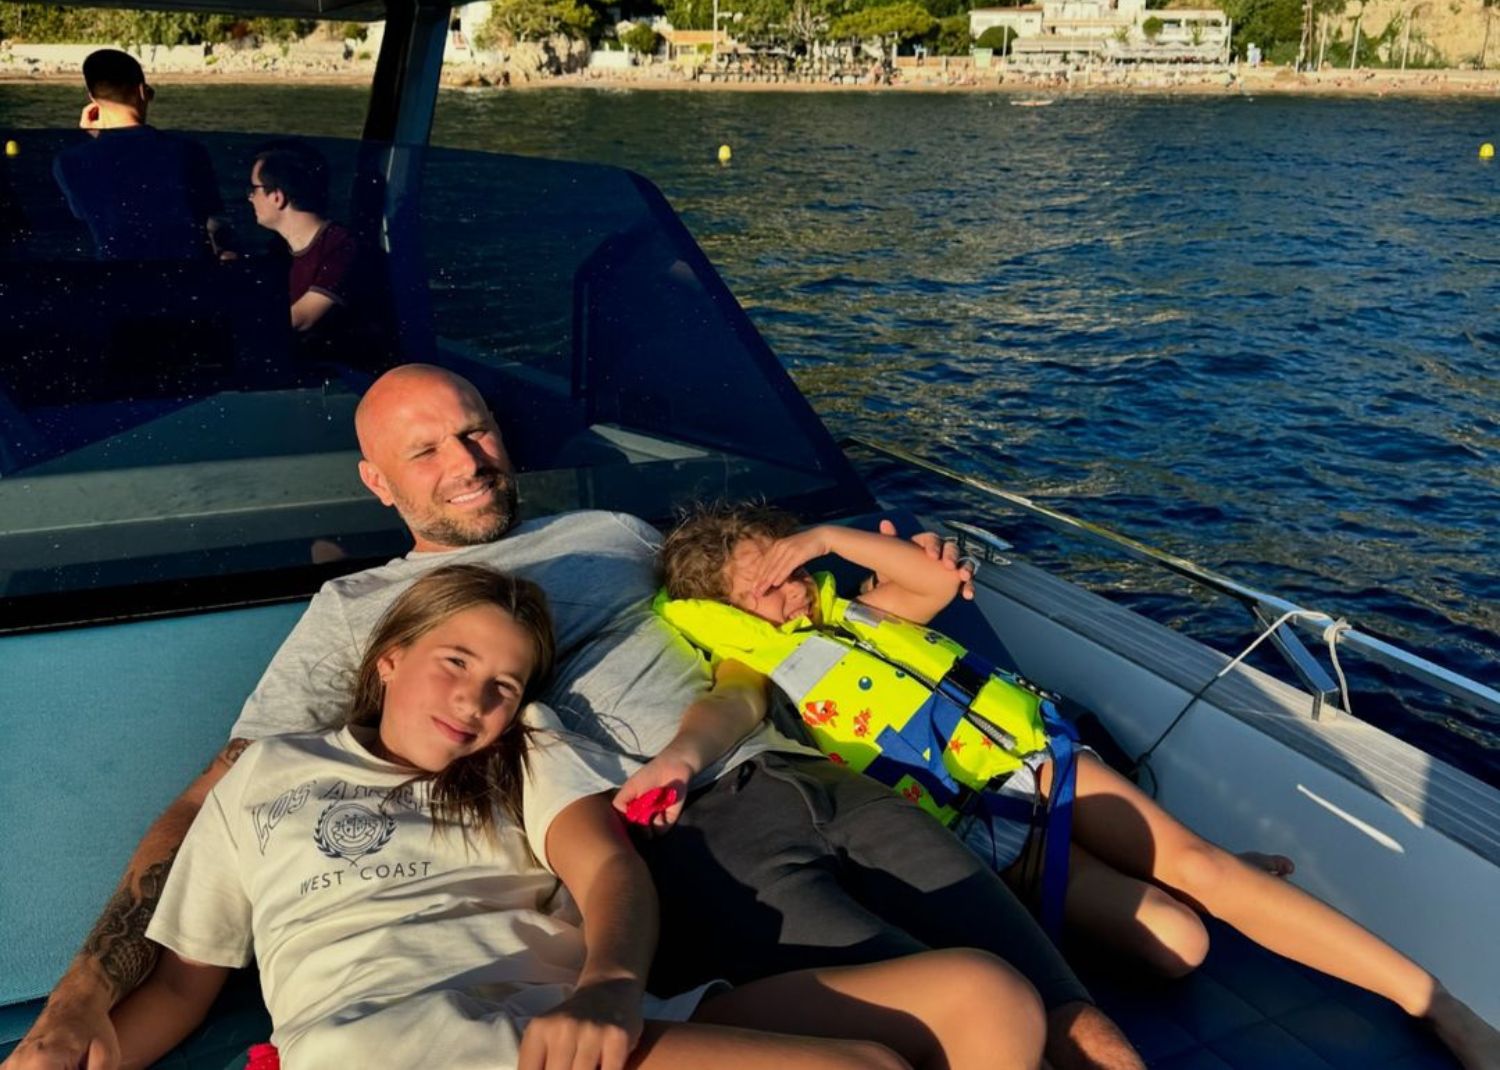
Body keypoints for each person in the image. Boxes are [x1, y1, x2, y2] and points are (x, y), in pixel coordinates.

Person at [2, 364, 1141, 1070]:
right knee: (980, 1023)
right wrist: (79, 997)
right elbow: (219, 794)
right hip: (684, 831)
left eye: (475, 430)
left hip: (800, 755)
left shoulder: (614, 534)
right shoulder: (358, 610)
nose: (466, 461)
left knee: (1077, 1007)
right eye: (425, 451)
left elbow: (755, 616)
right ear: (377, 484)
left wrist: (878, 582)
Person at [641, 501, 1500, 1070]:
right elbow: (723, 709)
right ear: (724, 611)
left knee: (1199, 867)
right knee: (1180, 944)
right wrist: (677, 761)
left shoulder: (863, 610)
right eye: (765, 587)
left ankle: (1441, 1005)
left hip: (1041, 768)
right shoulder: (752, 664)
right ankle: (1185, 876)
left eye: (793, 569)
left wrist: (824, 538)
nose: (792, 592)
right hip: (981, 836)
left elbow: (935, 582)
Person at [113, 562, 1046, 1069]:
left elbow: (607, 870)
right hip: (390, 1035)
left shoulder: (523, 748)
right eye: (455, 661)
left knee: (987, 995)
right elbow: (184, 983)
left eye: (503, 682)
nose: (476, 697)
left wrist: (608, 984)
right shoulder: (268, 773)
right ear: (389, 658)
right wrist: (85, 1033)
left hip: (572, 1016)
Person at [51, 49, 233, 261]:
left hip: (116, 276)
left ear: (92, 98)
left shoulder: (69, 162)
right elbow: (214, 219)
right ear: (142, 91)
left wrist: (99, 137)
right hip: (186, 273)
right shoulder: (189, 152)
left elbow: (92, 212)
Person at [246, 140, 384, 352]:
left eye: (254, 189)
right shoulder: (280, 251)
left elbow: (302, 319)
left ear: (277, 197)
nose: (250, 198)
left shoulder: (343, 248)